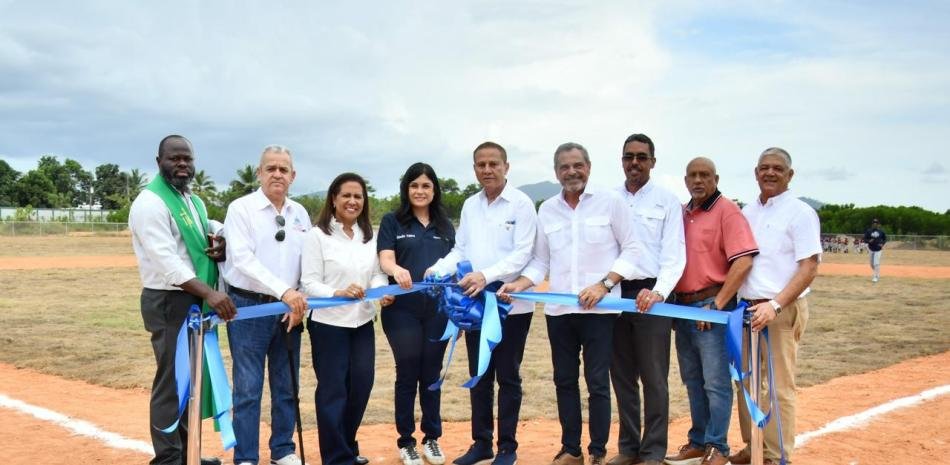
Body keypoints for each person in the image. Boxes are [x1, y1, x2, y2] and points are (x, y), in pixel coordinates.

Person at [499, 142, 639, 465]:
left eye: (577, 165)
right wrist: (520, 284)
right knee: (564, 380)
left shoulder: (610, 202)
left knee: (597, 383)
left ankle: (598, 451)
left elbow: (632, 249)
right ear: (556, 172)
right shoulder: (547, 209)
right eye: (564, 167)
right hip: (559, 312)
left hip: (600, 310)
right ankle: (571, 450)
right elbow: (540, 261)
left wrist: (604, 285)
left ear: (588, 167)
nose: (571, 172)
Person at [427, 141, 539, 465]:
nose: (487, 170)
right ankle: (482, 443)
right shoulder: (470, 205)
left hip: (510, 305)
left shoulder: (521, 204)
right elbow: (461, 250)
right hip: (475, 306)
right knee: (480, 375)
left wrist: (486, 275)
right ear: (475, 168)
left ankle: (507, 448)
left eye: (493, 164)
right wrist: (438, 269)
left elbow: (522, 253)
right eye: (481, 164)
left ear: (506, 167)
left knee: (508, 376)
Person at [129, 134, 236, 465]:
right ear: (158, 161)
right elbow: (167, 262)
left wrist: (222, 238)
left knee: (192, 382)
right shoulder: (150, 203)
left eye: (187, 158)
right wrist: (211, 294)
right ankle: (168, 458)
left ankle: (188, 453)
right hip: (169, 301)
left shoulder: (192, 200)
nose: (182, 164)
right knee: (172, 382)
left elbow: (208, 227)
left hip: (193, 300)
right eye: (174, 158)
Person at [662, 158, 758, 465]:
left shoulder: (727, 211)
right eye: (692, 175)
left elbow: (743, 260)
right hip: (683, 307)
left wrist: (716, 305)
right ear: (685, 180)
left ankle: (718, 446)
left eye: (705, 175)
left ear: (716, 179)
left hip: (712, 305)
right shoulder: (681, 212)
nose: (698, 180)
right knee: (692, 379)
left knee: (715, 382)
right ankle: (698, 442)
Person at [730, 147, 820, 465]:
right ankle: (753, 446)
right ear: (756, 173)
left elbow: (809, 266)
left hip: (780, 309)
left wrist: (776, 305)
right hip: (746, 310)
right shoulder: (747, 212)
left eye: (778, 168)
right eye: (764, 167)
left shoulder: (800, 213)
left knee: (779, 387)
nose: (770, 173)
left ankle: (777, 455)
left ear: (789, 175)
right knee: (746, 382)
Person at [221, 145, 309, 465]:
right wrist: (284, 291)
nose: (277, 174)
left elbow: (307, 262)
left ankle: (283, 449)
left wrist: (299, 300)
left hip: (290, 310)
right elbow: (242, 260)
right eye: (270, 168)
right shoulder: (241, 209)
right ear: (259, 173)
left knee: (287, 386)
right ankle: (246, 456)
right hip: (250, 307)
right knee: (248, 388)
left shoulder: (300, 213)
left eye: (283, 169)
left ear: (292, 176)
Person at [301, 173, 393, 465]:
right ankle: (337, 457)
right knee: (333, 391)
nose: (353, 201)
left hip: (362, 322)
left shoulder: (369, 236)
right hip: (328, 324)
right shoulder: (317, 236)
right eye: (347, 196)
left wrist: (381, 291)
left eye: (358, 196)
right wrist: (337, 292)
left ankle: (346, 445)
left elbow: (377, 274)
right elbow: (309, 282)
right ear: (333, 199)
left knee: (361, 386)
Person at [608, 133, 685, 465]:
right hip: (614, 294)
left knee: (654, 376)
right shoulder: (608, 199)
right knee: (621, 375)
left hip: (652, 295)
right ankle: (628, 448)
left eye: (642, 157)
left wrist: (659, 291)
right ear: (622, 161)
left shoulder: (667, 201)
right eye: (629, 156)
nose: (635, 162)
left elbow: (674, 254)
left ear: (653, 162)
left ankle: (653, 450)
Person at [377, 163, 456, 465]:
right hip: (402, 312)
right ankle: (406, 441)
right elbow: (385, 258)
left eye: (426, 186)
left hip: (438, 311)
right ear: (406, 189)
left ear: (434, 190)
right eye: (414, 185)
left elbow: (456, 262)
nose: (420, 191)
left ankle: (432, 438)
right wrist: (396, 270)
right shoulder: (393, 221)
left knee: (432, 373)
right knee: (408, 372)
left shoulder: (445, 225)